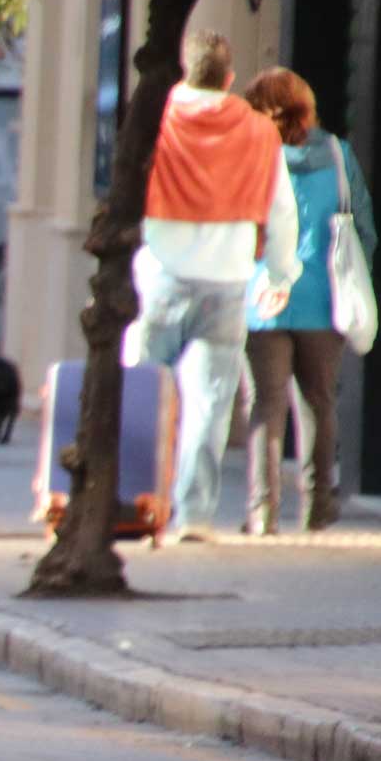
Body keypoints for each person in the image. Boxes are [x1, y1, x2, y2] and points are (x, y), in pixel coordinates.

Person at [138, 32, 300, 541]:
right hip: (229, 281)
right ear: (229, 79)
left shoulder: (158, 119)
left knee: (145, 390)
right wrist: (279, 273)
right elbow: (281, 211)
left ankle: (137, 500)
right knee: (209, 404)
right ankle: (196, 515)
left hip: (163, 271)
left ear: (185, 70)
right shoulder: (258, 132)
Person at [239, 67, 363, 534]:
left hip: (263, 296)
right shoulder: (338, 155)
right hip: (320, 297)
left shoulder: (251, 160)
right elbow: (361, 225)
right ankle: (317, 507)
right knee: (318, 402)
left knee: (264, 406)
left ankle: (261, 512)